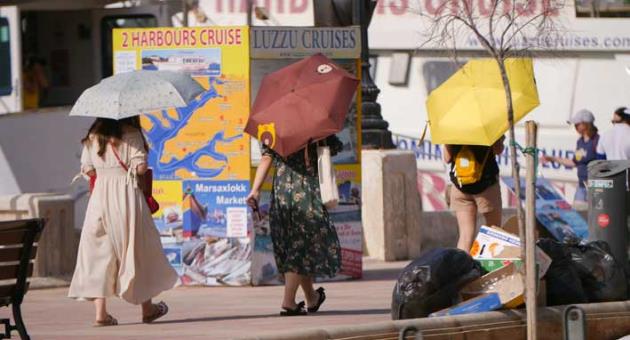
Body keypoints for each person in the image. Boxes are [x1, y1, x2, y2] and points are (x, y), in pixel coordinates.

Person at [68, 117, 178, 326]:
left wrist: (104, 170)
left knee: (98, 254)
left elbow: (88, 169)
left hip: (99, 198)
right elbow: (140, 168)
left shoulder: (93, 136)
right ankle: (147, 309)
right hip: (126, 196)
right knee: (136, 248)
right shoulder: (132, 134)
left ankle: (101, 314)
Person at [246, 135, 343, 316]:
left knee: (297, 245)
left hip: (282, 190)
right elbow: (336, 147)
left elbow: (267, 157)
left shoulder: (277, 126)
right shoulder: (316, 125)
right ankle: (288, 301)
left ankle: (311, 297)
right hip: (306, 189)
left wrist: (256, 189)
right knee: (300, 246)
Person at [444, 135, 505, 252]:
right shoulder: (487, 124)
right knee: (494, 231)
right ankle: (488, 267)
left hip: (460, 186)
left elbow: (447, 158)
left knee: (465, 235)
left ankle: (462, 268)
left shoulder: (453, 126)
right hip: (486, 186)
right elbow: (498, 150)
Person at [541, 109, 600, 208]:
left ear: (585, 124)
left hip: (595, 188)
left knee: (594, 217)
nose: (575, 126)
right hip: (581, 186)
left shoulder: (597, 141)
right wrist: (552, 158)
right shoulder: (580, 141)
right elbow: (574, 162)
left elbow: (603, 164)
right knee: (579, 215)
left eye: (577, 124)